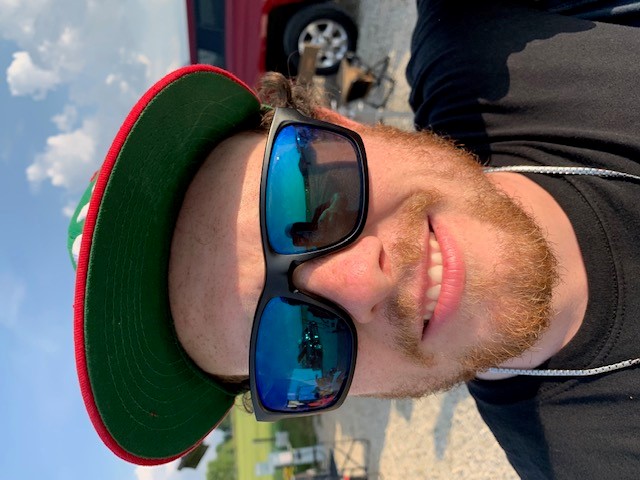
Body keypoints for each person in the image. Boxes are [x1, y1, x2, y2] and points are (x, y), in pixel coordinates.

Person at [68, 1, 640, 477]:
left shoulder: (492, 32)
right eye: (305, 343)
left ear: (340, 123)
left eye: (311, 200)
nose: (364, 281)